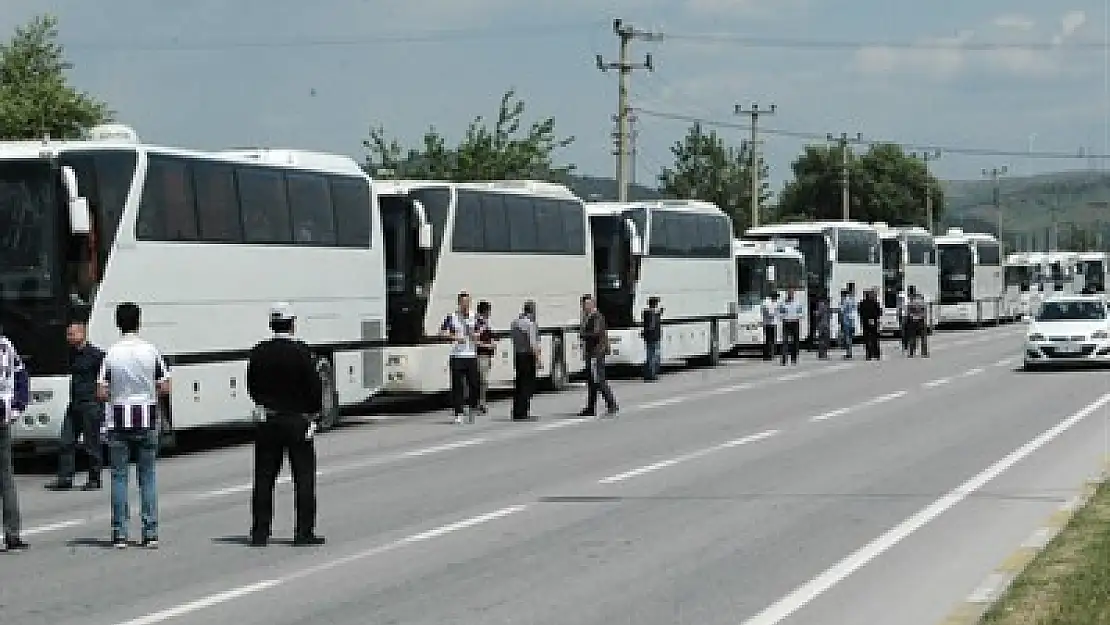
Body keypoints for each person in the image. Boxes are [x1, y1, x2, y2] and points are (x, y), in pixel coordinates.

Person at [245, 302, 326, 548]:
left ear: (271, 324)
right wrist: (313, 414)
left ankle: (260, 532)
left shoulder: (259, 352)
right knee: (303, 477)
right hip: (296, 421)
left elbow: (251, 385)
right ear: (292, 324)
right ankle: (303, 532)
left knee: (264, 478)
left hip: (268, 419)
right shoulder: (302, 352)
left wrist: (264, 402)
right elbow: (314, 387)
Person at [96, 302, 171, 549]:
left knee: (119, 477)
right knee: (147, 477)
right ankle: (150, 533)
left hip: (119, 419)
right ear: (138, 322)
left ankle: (120, 533)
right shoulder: (151, 351)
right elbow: (165, 386)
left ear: (118, 323)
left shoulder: (112, 354)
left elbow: (101, 391)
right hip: (147, 417)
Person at [46, 318, 106, 491]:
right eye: (67, 334)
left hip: (90, 405)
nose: (68, 337)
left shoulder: (96, 355)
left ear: (82, 333)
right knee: (66, 441)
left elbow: (105, 378)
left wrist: (101, 399)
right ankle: (65, 479)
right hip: (75, 405)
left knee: (91, 444)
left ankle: (94, 479)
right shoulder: (71, 354)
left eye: (71, 334)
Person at [0, 326, 29, 552]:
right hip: (3, 415)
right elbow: (21, 375)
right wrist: (17, 407)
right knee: (6, 477)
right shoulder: (6, 345)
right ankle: (12, 534)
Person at [439, 292, 480, 424]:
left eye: (467, 302)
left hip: (471, 355)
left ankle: (472, 407)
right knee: (457, 386)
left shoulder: (475, 317)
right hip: (457, 355)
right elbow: (442, 332)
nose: (465, 305)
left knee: (474, 385)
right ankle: (458, 412)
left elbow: (479, 333)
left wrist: (473, 334)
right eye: (463, 302)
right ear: (459, 303)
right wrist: (455, 337)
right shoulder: (452, 317)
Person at [578, 294, 618, 418]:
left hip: (597, 352)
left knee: (599, 380)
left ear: (593, 304)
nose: (585, 307)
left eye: (588, 304)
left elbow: (596, 333)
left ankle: (611, 404)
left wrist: (583, 335)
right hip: (592, 352)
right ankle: (591, 407)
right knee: (592, 381)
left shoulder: (597, 317)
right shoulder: (588, 317)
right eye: (584, 305)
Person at [509, 300, 541, 420]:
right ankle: (523, 412)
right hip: (527, 355)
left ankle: (516, 410)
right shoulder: (530, 324)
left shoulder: (514, 323)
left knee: (519, 384)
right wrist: (538, 359)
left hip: (518, 354)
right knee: (527, 385)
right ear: (532, 310)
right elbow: (533, 343)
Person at [474, 300, 494, 415]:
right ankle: (480, 403)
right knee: (482, 381)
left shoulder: (484, 323)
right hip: (481, 355)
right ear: (486, 311)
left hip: (486, 355)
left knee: (482, 381)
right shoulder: (479, 324)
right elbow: (474, 341)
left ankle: (481, 403)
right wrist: (488, 345)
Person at [778, 288, 804, 365]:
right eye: (789, 293)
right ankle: (784, 359)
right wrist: (783, 317)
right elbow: (780, 313)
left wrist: (797, 317)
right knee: (785, 341)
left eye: (791, 293)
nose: (790, 295)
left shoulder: (797, 303)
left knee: (795, 342)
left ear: (793, 294)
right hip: (786, 322)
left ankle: (794, 358)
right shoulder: (783, 303)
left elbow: (801, 313)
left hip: (795, 322)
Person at [904, 285, 930, 357]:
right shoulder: (920, 299)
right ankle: (924, 352)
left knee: (913, 336)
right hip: (921, 319)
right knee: (922, 337)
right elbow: (924, 309)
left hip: (914, 320)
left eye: (909, 292)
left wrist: (911, 315)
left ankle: (912, 353)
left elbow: (909, 311)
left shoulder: (912, 300)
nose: (908, 294)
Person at [641, 296, 663, 381]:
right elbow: (652, 325)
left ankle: (648, 374)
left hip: (648, 337)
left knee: (649, 355)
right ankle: (652, 374)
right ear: (655, 304)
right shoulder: (653, 314)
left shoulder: (646, 313)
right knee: (654, 356)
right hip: (654, 336)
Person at [859, 288, 882, 360]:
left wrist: (864, 318)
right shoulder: (875, 303)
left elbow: (860, 312)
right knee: (874, 338)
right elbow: (879, 313)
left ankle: (868, 354)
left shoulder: (862, 303)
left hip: (865, 322)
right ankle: (876, 354)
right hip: (874, 321)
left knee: (867, 338)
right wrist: (875, 317)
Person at [761, 292, 780, 361]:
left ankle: (772, 354)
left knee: (773, 340)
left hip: (774, 323)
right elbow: (769, 313)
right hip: (767, 323)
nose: (776, 299)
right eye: (775, 297)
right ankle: (767, 355)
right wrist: (775, 312)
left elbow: (778, 311)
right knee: (768, 340)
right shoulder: (766, 302)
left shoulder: (775, 302)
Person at [839, 286, 857, 359]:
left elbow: (842, 311)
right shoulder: (852, 300)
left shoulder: (845, 301)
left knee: (847, 338)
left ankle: (849, 353)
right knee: (850, 337)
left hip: (846, 321)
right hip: (852, 320)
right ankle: (849, 352)